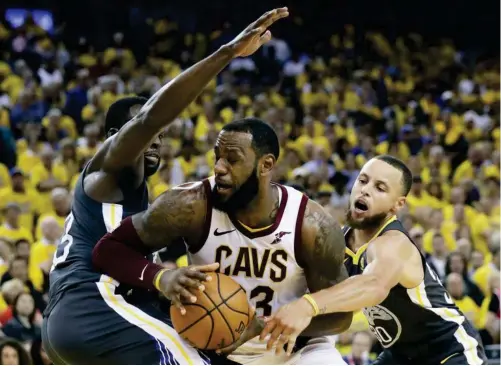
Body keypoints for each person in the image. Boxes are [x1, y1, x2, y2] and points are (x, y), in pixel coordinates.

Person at [42, 8, 289, 365]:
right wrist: (228, 53)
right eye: (145, 134)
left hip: (86, 319)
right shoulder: (105, 171)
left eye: (160, 136)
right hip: (93, 305)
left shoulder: (136, 203)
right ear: (115, 138)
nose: (155, 139)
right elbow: (150, 116)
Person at [92, 118, 352, 365]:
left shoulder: (311, 225)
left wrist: (265, 324)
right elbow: (108, 249)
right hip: (207, 344)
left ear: (266, 165)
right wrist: (161, 278)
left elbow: (340, 316)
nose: (218, 168)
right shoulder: (190, 205)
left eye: (232, 160)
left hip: (292, 347)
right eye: (217, 157)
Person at [260, 155, 488, 365]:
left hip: (450, 350)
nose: (365, 190)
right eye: (362, 181)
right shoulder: (339, 241)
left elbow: (373, 285)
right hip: (400, 354)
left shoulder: (394, 243)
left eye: (380, 188)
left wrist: (307, 306)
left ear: (397, 204)